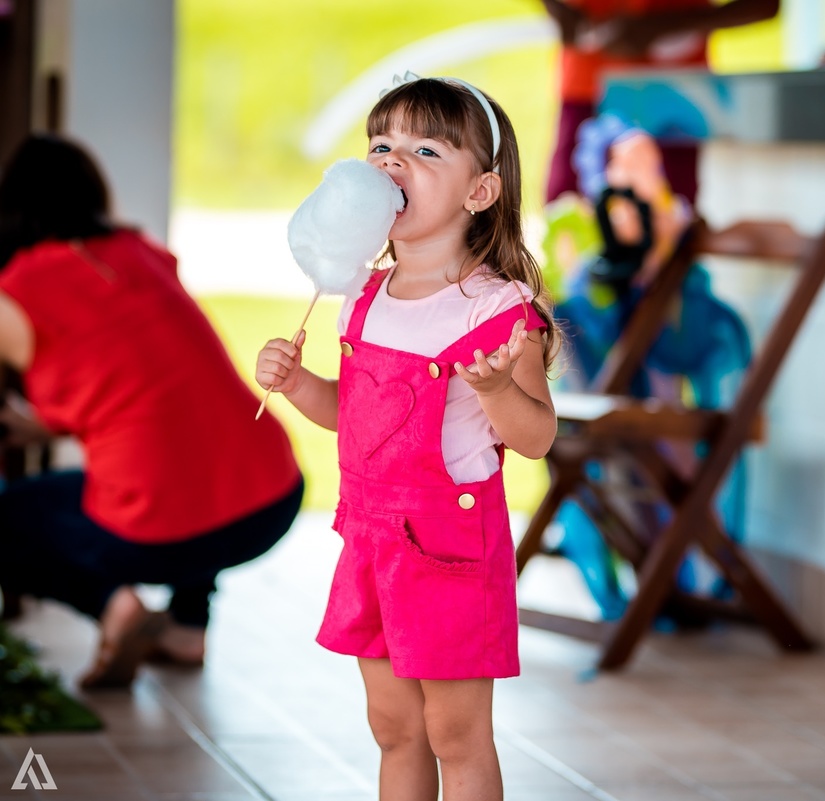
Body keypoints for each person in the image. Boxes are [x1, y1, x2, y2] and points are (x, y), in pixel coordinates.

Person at [254, 75, 559, 801]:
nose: (391, 160)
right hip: (372, 541)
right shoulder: (360, 294)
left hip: (450, 554)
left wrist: (493, 389)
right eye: (380, 144)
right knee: (394, 726)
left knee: (457, 733)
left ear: (479, 192)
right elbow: (355, 415)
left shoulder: (498, 311)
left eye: (424, 149)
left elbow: (539, 436)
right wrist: (299, 386)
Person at [0, 134, 304, 689]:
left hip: (164, 534)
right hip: (272, 497)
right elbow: (145, 388)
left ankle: (111, 605)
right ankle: (189, 627)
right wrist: (47, 423)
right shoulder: (143, 254)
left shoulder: (16, 290)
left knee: (13, 516)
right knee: (192, 449)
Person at [541, 0, 780, 204]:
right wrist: (557, 8)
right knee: (568, 214)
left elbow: (766, 5)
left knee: (669, 216)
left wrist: (668, 25)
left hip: (674, 94)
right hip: (589, 83)